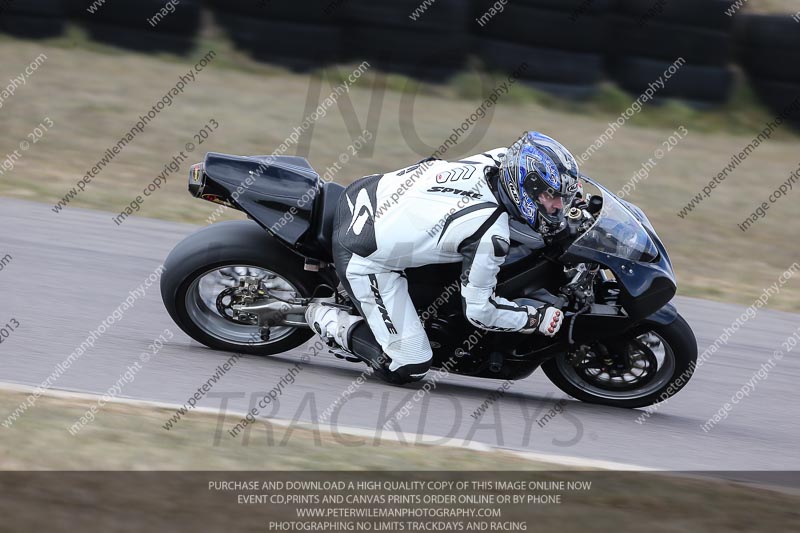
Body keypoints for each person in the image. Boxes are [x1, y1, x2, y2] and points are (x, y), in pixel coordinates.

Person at [306, 131, 581, 384]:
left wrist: (573, 198)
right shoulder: (488, 234)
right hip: (362, 254)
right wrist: (533, 319)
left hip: (369, 190)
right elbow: (479, 313)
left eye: (561, 197)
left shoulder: (499, 160)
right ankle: (323, 315)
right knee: (409, 366)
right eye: (551, 196)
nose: (557, 205)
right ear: (524, 189)